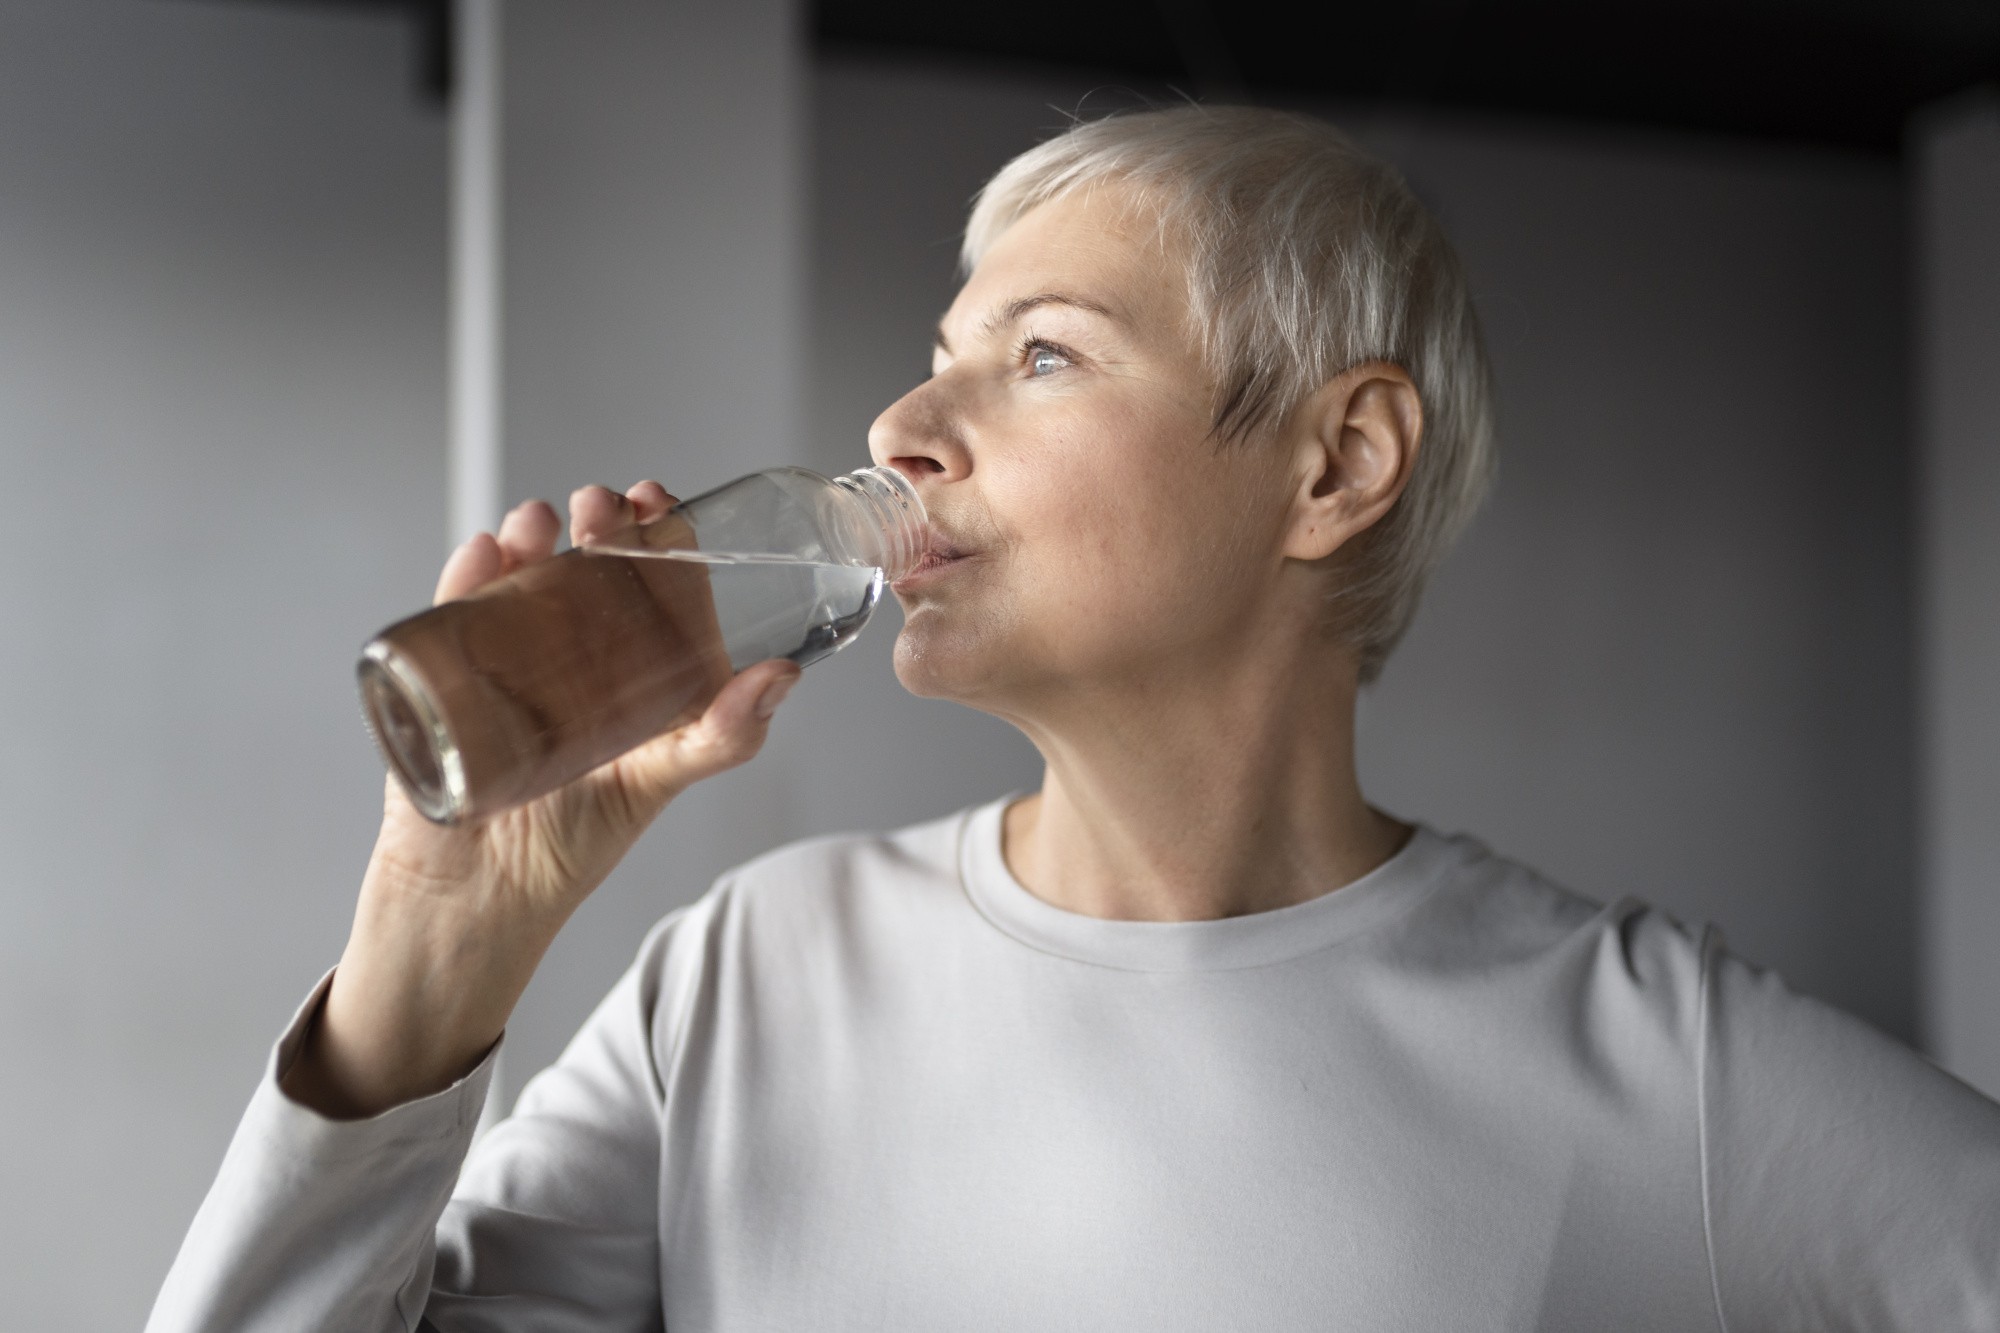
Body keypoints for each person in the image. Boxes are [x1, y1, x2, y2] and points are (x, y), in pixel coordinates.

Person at [149, 106, 2000, 1331]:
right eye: (939, 351)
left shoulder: (1658, 1064)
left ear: (1334, 463)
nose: (898, 427)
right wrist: (439, 943)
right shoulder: (749, 978)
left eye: (1039, 354)